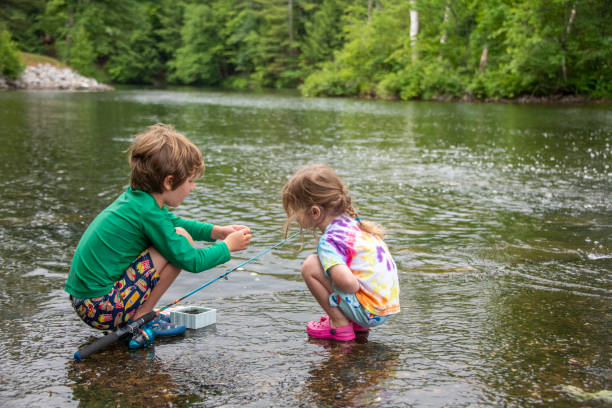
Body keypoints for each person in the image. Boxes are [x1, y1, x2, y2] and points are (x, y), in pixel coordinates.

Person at [65, 123, 252, 347]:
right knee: (180, 241)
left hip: (87, 302)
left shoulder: (138, 200)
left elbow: (172, 221)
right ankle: (139, 318)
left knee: (177, 233)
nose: (192, 188)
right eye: (190, 181)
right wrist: (228, 246)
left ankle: (137, 314)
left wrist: (216, 232)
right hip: (100, 308)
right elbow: (191, 261)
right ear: (169, 181)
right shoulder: (147, 212)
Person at [282, 163, 400, 341]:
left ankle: (340, 324)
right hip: (384, 308)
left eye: (295, 213)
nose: (293, 219)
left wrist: (336, 286)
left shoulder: (329, 241)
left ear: (315, 212)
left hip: (368, 311)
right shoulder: (355, 225)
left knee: (310, 266)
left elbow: (349, 284)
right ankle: (356, 323)